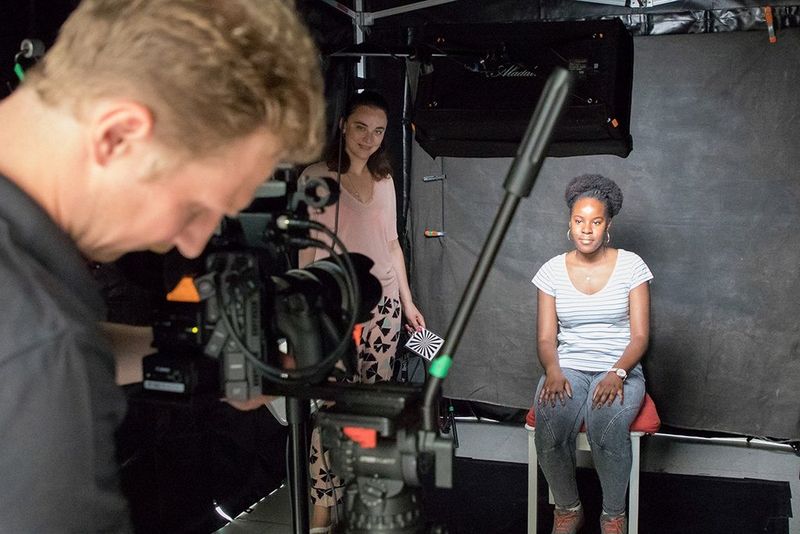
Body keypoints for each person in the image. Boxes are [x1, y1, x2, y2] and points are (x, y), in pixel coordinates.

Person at [0, 1, 324, 531]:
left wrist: (209, 358)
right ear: (119, 135)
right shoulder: (42, 342)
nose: (194, 244)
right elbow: (46, 349)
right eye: (197, 206)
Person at [298, 90, 426, 532]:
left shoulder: (385, 177)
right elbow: (308, 247)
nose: (369, 139)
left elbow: (392, 244)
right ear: (342, 125)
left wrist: (408, 303)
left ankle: (366, 502)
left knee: (374, 410)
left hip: (384, 310)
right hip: (336, 310)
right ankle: (322, 508)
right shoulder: (317, 177)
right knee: (330, 410)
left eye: (378, 131)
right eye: (360, 127)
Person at [531, 174, 653, 534]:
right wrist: (553, 370)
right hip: (567, 367)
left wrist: (617, 372)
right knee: (550, 419)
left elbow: (641, 336)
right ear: (569, 224)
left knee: (606, 421)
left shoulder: (631, 266)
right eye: (579, 221)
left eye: (596, 221)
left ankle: (613, 515)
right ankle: (568, 509)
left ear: (607, 225)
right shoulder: (551, 271)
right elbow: (544, 338)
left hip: (619, 366)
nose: (587, 230)